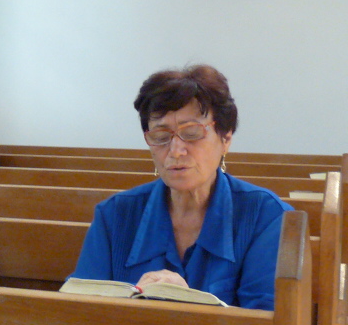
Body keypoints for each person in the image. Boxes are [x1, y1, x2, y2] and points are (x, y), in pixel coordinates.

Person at [69, 64, 292, 310]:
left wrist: (189, 305)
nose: (175, 151)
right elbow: (80, 314)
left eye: (192, 133)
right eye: (161, 136)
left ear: (225, 138)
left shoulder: (267, 217)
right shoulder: (113, 216)